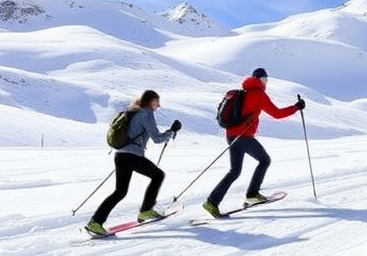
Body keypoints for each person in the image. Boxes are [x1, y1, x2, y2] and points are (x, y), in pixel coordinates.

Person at [202, 68, 305, 218]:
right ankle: (252, 194)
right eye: (265, 79)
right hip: (244, 136)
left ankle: (212, 202)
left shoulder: (244, 92)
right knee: (264, 160)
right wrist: (296, 107)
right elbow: (277, 114)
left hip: (231, 135)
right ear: (261, 80)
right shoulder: (258, 94)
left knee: (235, 171)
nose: (266, 82)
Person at [85, 90, 181, 236]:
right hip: (132, 156)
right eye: (156, 102)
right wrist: (172, 131)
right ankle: (146, 210)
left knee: (120, 192)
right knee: (158, 175)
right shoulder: (146, 113)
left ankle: (95, 222)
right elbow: (157, 138)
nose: (158, 105)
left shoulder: (133, 111)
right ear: (150, 101)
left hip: (121, 155)